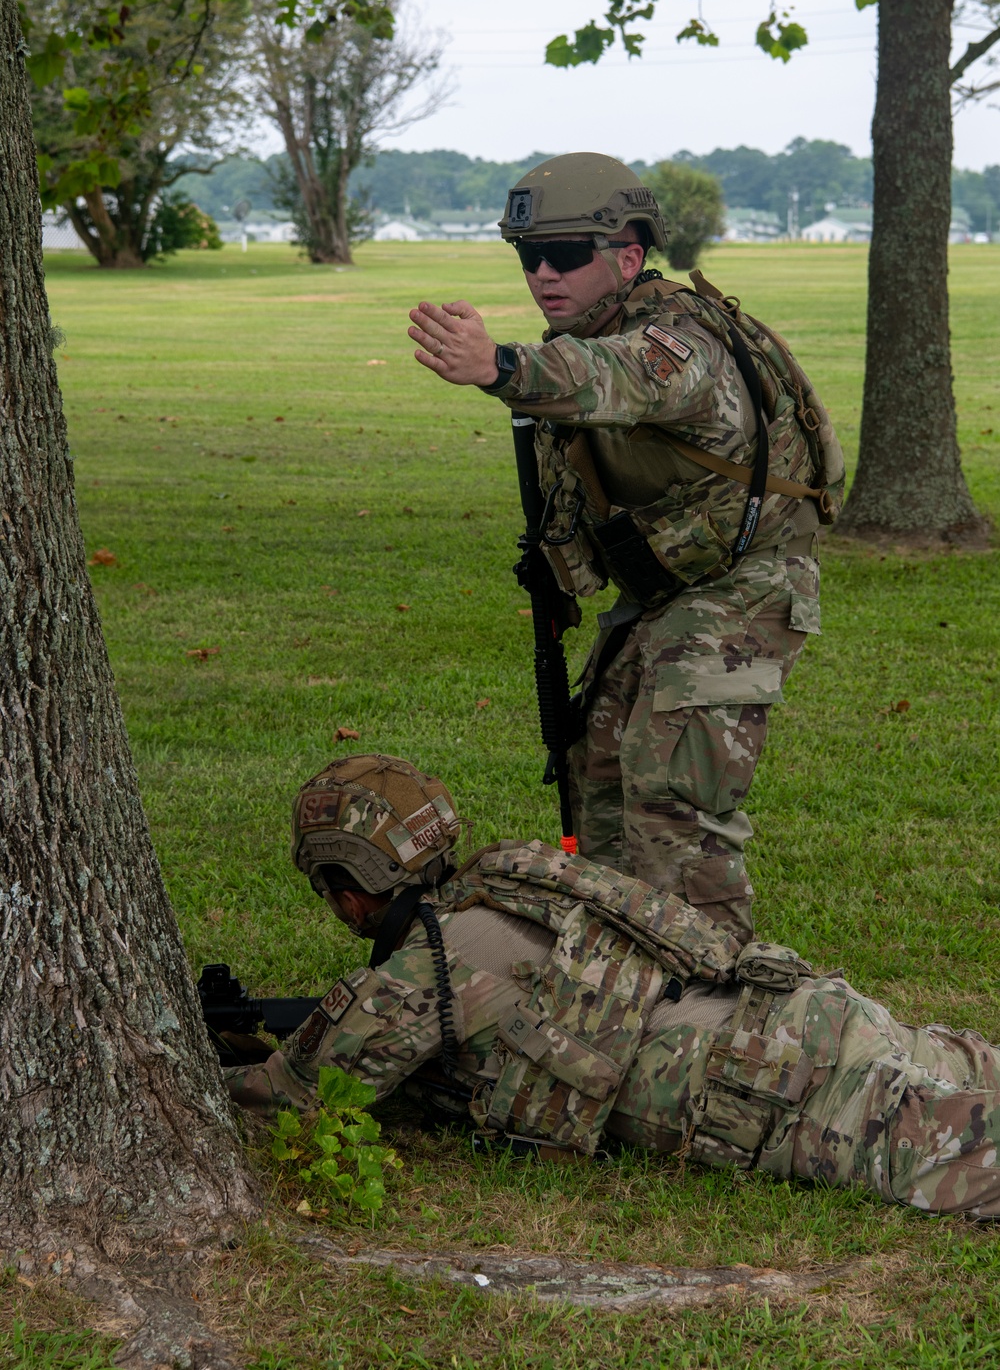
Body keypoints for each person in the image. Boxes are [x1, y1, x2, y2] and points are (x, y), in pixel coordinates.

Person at [226, 754, 1000, 1220]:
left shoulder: (417, 974)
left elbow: (287, 1097)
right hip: (806, 1011)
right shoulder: (506, 885)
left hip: (784, 1090)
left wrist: (226, 1058)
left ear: (350, 890)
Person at [407, 153, 845, 942]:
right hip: (669, 588)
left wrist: (499, 365)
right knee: (596, 772)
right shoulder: (588, 331)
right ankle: (621, 967)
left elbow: (615, 378)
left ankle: (716, 991)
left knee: (670, 796)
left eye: (568, 253)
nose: (544, 272)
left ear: (628, 256)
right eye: (528, 254)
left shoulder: (675, 342)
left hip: (746, 585)